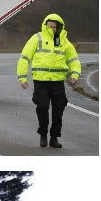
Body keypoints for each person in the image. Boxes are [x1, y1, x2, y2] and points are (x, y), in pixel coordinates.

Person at [17, 13, 80, 148]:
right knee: (42, 106)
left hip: (57, 82)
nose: (52, 29)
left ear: (59, 27)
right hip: (41, 81)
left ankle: (54, 138)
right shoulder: (37, 38)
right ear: (45, 25)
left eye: (54, 27)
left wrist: (75, 74)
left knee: (58, 109)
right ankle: (43, 134)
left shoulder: (64, 42)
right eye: (49, 26)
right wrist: (22, 77)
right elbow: (24, 58)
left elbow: (73, 60)